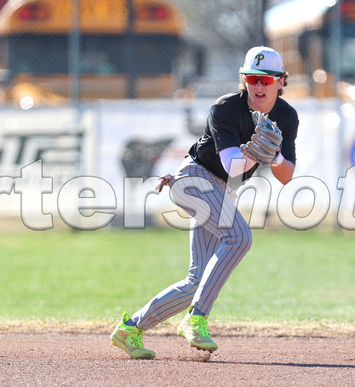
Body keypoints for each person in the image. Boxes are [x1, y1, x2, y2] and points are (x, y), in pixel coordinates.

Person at [110, 46, 299, 359]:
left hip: (221, 192)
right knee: (239, 237)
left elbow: (286, 175)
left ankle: (131, 328)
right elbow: (231, 167)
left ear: (282, 81)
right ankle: (196, 318)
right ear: (244, 80)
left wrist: (275, 155)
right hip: (194, 180)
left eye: (268, 79)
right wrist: (255, 153)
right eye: (253, 78)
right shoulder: (225, 108)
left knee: (196, 281)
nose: (260, 85)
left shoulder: (286, 116)